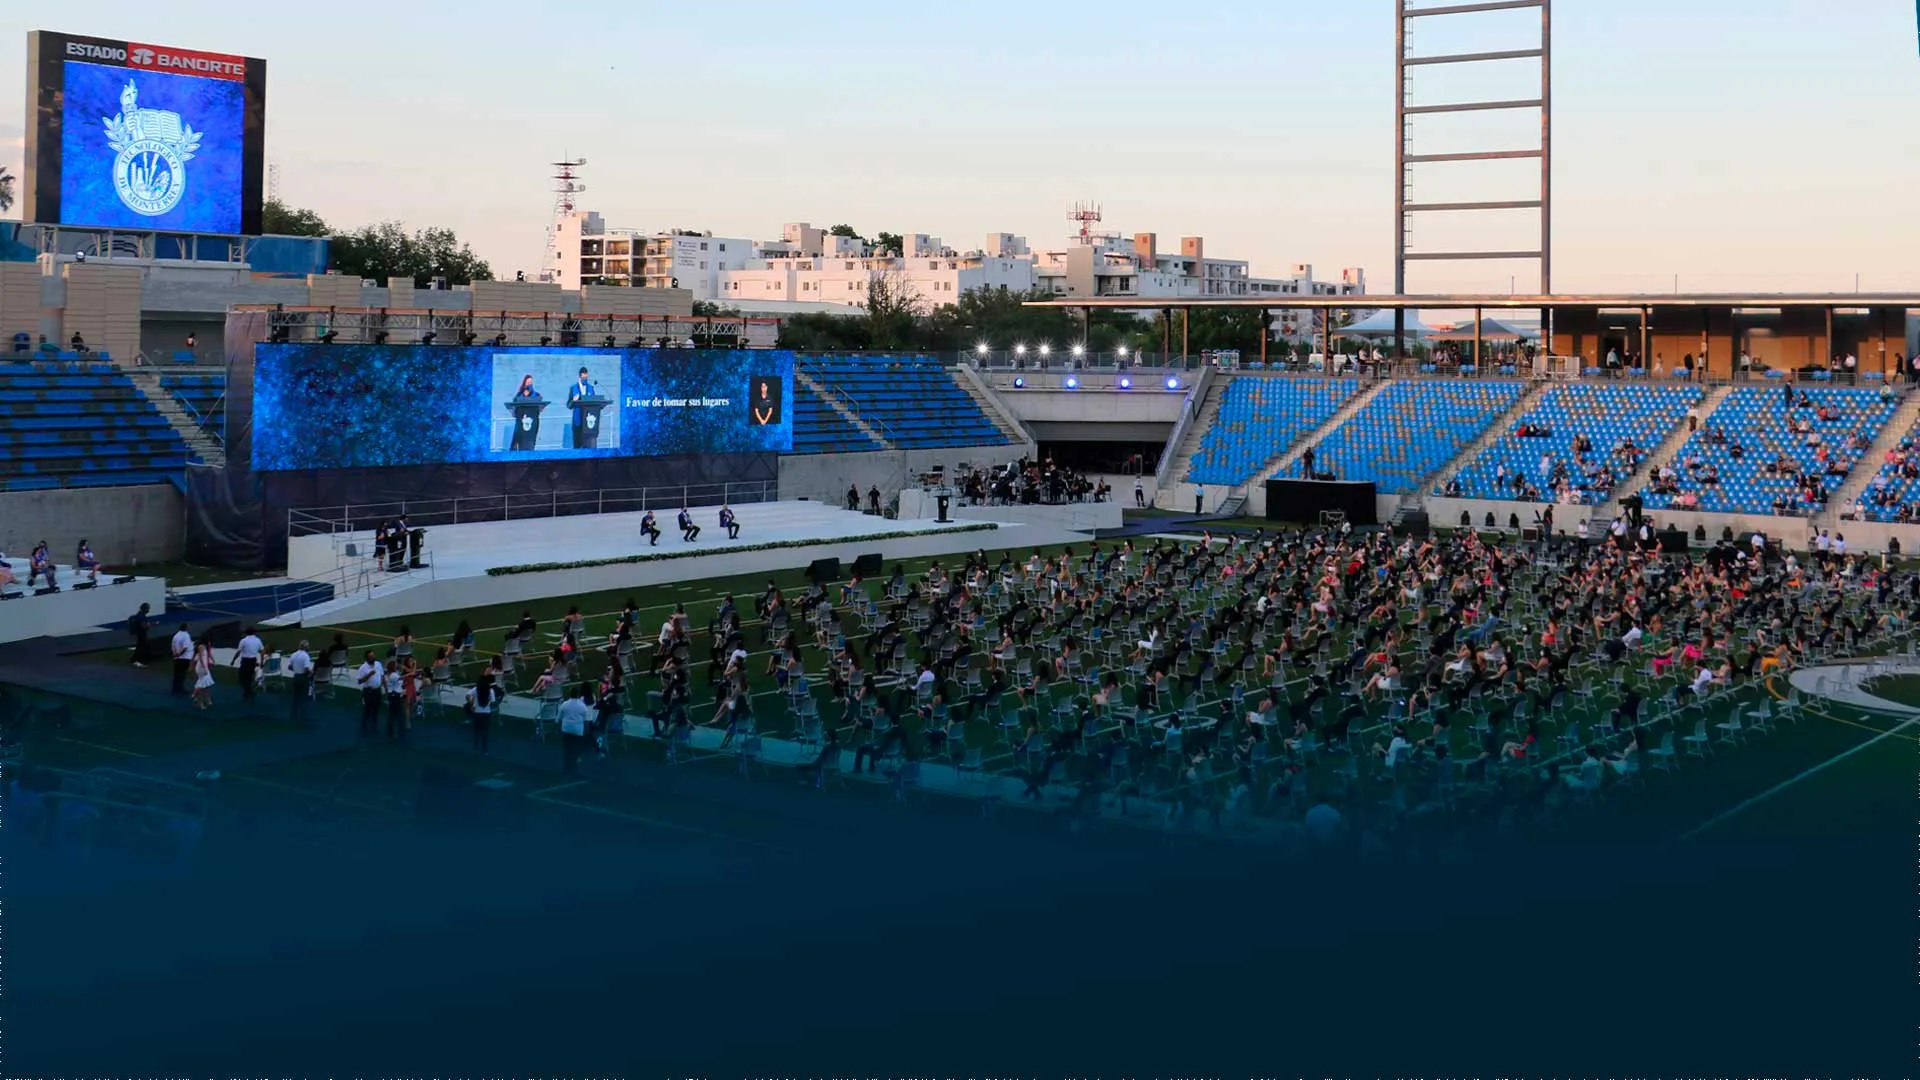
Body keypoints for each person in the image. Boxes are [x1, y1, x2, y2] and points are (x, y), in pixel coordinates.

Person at [559, 685, 593, 775]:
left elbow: (560, 718)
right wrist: (586, 731)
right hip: (577, 731)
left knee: (567, 748)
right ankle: (575, 764)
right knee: (576, 748)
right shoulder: (582, 706)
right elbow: (586, 721)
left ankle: (567, 765)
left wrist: (560, 729)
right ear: (578, 695)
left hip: (566, 729)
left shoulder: (564, 704)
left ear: (570, 694)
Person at [565, 366, 601, 449]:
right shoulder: (573, 388)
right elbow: (568, 405)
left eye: (586, 377)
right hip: (577, 422)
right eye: (583, 377)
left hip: (588, 423)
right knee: (577, 446)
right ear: (580, 377)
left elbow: (595, 402)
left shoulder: (591, 388)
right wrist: (573, 401)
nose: (585, 379)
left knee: (589, 446)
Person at [355, 651, 384, 737]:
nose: (373, 658)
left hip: (377, 690)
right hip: (368, 691)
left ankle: (374, 727)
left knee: (376, 709)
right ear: (367, 658)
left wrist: (383, 687)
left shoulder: (378, 664)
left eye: (373, 656)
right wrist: (368, 675)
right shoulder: (363, 668)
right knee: (368, 709)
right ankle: (364, 726)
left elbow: (382, 675)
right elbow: (359, 681)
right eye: (371, 656)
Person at [234, 626, 265, 704]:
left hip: (245, 660)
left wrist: (233, 660)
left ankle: (248, 691)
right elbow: (262, 652)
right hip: (253, 660)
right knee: (249, 676)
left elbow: (238, 652)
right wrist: (261, 662)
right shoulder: (258, 640)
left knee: (242, 676)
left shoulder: (243, 641)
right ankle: (249, 690)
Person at [286, 639, 313, 724]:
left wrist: (296, 669)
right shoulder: (306, 656)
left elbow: (290, 667)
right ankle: (304, 716)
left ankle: (293, 715)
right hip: (303, 678)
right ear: (306, 647)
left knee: (295, 697)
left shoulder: (293, 654)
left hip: (296, 677)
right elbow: (306, 668)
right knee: (304, 697)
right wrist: (311, 672)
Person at [190, 641, 216, 710]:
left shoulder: (206, 648)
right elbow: (199, 659)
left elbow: (207, 656)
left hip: (204, 667)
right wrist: (204, 667)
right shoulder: (201, 647)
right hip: (202, 668)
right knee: (202, 685)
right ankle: (199, 700)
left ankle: (206, 699)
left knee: (206, 684)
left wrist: (211, 662)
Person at [170, 623, 194, 695]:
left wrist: (175, 654)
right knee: (182, 674)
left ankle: (175, 688)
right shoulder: (186, 636)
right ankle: (180, 689)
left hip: (177, 658)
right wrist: (179, 654)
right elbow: (185, 647)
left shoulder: (176, 635)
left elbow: (173, 645)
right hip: (184, 658)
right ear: (186, 628)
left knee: (177, 674)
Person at [127, 602, 151, 667]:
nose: (149, 610)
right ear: (145, 609)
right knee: (141, 647)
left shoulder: (139, 615)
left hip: (139, 633)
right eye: (148, 608)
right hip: (141, 634)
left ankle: (138, 659)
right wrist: (149, 625)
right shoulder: (142, 617)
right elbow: (144, 626)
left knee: (141, 646)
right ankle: (135, 660)